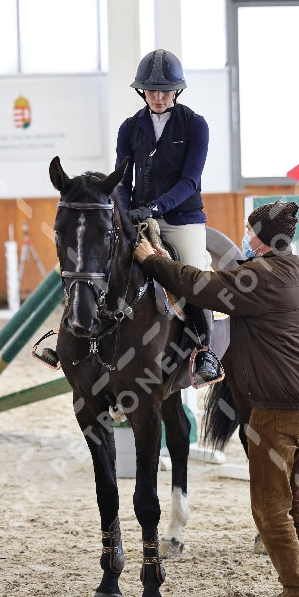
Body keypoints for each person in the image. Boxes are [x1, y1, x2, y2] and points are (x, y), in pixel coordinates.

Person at [134, 200, 299, 597]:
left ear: (259, 237)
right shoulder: (296, 269)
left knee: (270, 507)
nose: (244, 235)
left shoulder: (258, 277)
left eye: (248, 230)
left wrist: (153, 262)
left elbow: (201, 286)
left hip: (276, 409)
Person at [115, 48, 219, 384]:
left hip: (182, 218)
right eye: (151, 91)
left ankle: (205, 351)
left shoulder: (195, 125)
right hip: (140, 218)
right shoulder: (130, 128)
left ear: (177, 90)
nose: (158, 97)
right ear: (141, 91)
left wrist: (156, 207)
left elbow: (190, 181)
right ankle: (79, 334)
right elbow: (121, 178)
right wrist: (125, 210)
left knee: (194, 273)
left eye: (165, 91)